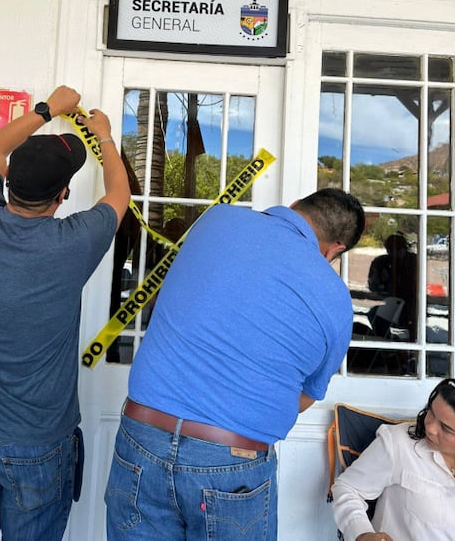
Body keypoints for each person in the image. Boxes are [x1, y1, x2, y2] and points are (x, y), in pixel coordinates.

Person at [104, 188, 366, 541]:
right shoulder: (336, 300)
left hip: (142, 435)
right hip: (232, 458)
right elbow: (305, 398)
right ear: (335, 250)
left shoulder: (216, 219)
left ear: (291, 208)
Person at [0, 85, 130, 541]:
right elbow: (119, 192)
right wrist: (103, 136)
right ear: (63, 194)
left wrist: (48, 108)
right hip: (39, 449)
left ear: (6, 181)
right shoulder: (73, 243)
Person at [331, 378, 455, 541]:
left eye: (445, 428)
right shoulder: (398, 444)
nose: (430, 428)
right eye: (430, 412)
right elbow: (347, 488)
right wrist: (362, 534)